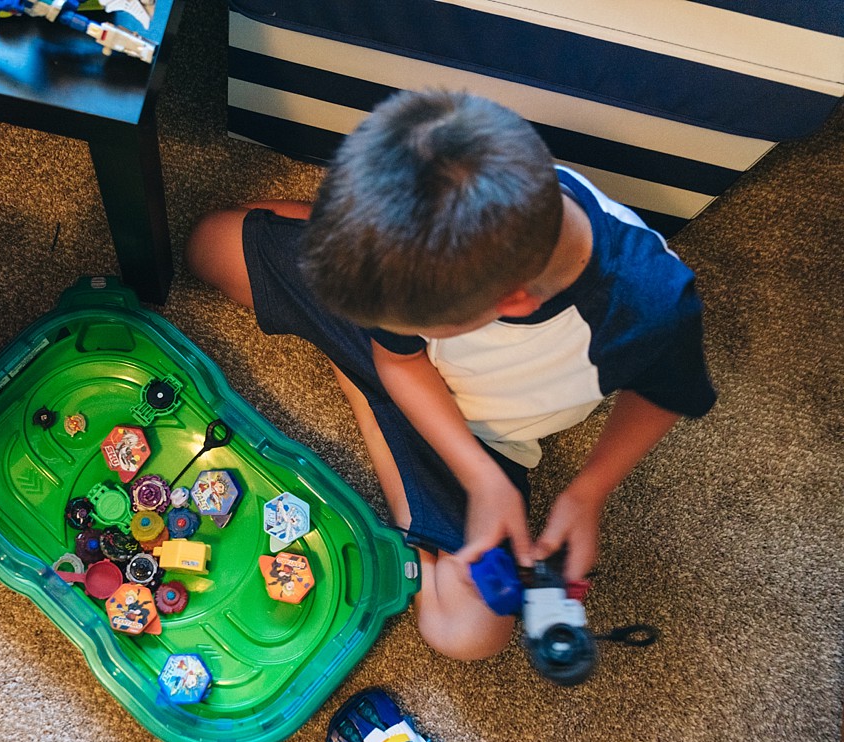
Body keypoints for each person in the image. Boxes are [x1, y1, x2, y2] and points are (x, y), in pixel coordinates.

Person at [186, 89, 715, 660]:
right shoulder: (458, 231)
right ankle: (347, 284)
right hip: (408, 345)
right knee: (204, 247)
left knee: (466, 634)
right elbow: (398, 354)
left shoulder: (654, 306)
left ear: (509, 305)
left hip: (482, 438)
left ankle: (365, 393)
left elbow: (665, 392)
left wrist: (586, 492)